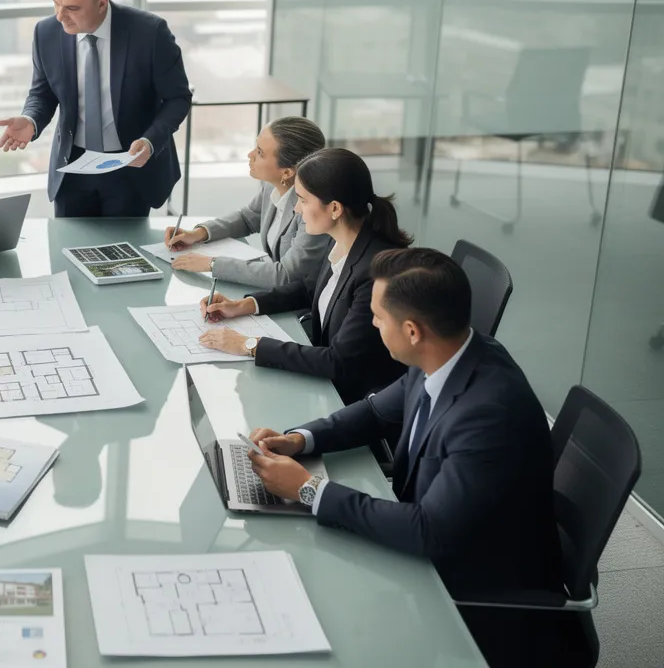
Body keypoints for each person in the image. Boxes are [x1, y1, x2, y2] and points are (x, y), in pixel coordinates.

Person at [242, 248, 564, 667]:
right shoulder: (448, 351)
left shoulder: (488, 415)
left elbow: (429, 532)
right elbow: (377, 410)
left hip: (471, 584)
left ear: (412, 331)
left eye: (378, 317)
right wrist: (302, 439)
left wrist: (308, 490)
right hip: (433, 530)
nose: (372, 324)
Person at [199, 148, 410, 404]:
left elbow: (338, 361)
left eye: (303, 200)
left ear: (334, 208)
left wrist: (250, 345)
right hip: (323, 381)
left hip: (351, 397)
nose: (297, 209)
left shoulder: (375, 272)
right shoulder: (342, 241)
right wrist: (244, 305)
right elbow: (308, 288)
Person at [0, 0, 191, 217]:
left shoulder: (150, 33)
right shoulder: (46, 33)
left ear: (102, 3)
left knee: (126, 256)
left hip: (129, 168)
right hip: (72, 169)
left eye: (72, 8)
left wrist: (150, 141)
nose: (60, 16)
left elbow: (177, 98)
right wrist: (30, 119)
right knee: (67, 253)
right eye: (56, 4)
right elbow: (42, 93)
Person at [164, 117, 331, 287]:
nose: (250, 155)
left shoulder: (311, 210)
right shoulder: (272, 187)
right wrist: (198, 234)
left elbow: (285, 275)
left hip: (302, 303)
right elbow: (247, 218)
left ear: (287, 173)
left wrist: (212, 264)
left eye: (260, 152)